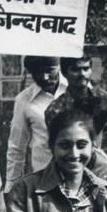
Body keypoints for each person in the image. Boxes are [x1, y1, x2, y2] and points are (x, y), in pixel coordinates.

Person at [5, 56, 67, 191]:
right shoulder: (24, 100)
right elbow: (16, 147)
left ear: (59, 67)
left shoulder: (76, 90)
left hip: (79, 176)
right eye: (37, 73)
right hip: (44, 179)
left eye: (50, 70)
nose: (44, 77)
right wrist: (10, 186)